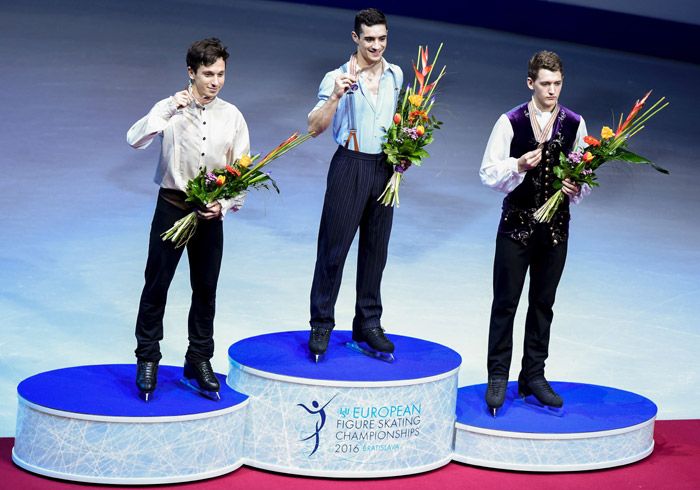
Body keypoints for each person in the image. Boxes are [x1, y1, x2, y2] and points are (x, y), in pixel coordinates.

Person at [126, 38, 249, 400]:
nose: (215, 81)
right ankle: (147, 357)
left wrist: (223, 206)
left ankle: (198, 359)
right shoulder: (171, 109)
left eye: (221, 74)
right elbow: (134, 140)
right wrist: (165, 109)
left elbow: (241, 172)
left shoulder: (233, 116)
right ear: (191, 72)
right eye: (208, 74)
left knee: (205, 290)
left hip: (209, 214)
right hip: (172, 207)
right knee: (156, 286)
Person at [479, 50, 589, 415]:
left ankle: (533, 376)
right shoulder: (510, 122)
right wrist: (517, 164)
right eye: (545, 84)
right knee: (506, 302)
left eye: (558, 83)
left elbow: (584, 177)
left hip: (555, 230)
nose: (552, 90)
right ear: (531, 83)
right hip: (516, 228)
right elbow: (488, 173)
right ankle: (498, 375)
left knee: (543, 304)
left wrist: (576, 189)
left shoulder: (575, 123)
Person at [307, 8, 403, 362]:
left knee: (376, 252)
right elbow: (314, 127)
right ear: (355, 38)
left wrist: (404, 153)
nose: (376, 46)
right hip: (350, 164)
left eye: (382, 38)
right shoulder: (336, 77)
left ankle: (368, 323)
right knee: (333, 250)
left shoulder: (396, 75)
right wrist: (334, 97)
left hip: (385, 168)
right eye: (369, 39)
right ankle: (321, 323)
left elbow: (402, 122)